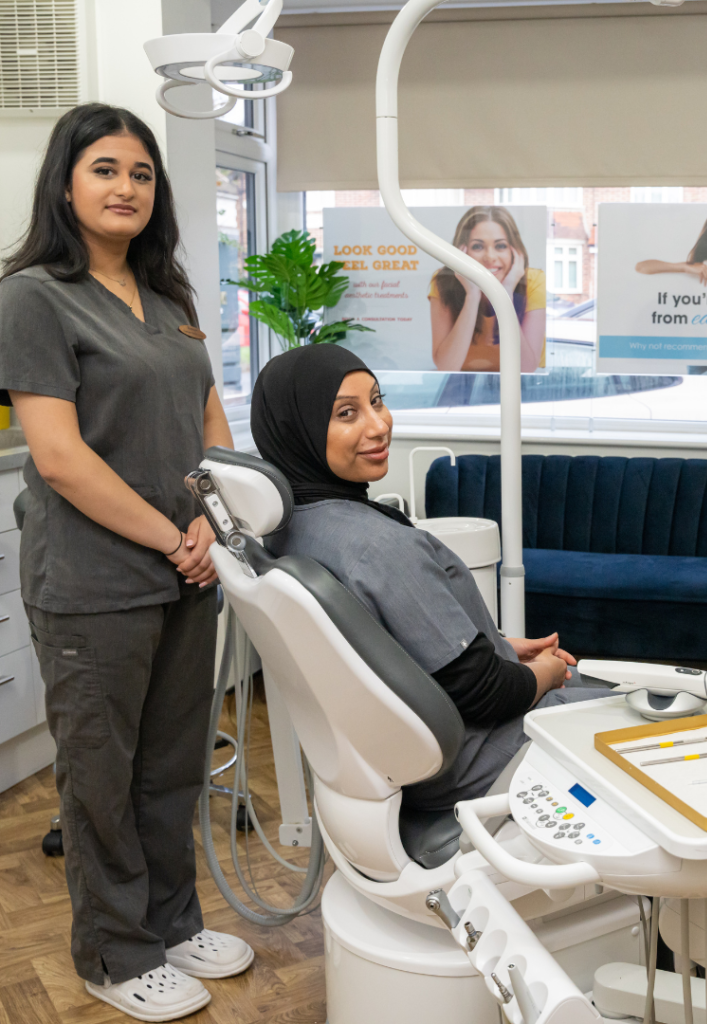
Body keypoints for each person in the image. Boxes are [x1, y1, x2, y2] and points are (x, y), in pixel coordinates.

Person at [0, 104, 252, 1021]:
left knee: (171, 766)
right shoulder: (32, 295)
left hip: (188, 571)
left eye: (141, 174)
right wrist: (172, 536)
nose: (126, 188)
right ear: (66, 183)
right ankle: (112, 953)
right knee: (102, 779)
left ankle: (173, 923)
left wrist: (213, 527)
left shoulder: (172, 297)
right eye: (105, 169)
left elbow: (210, 424)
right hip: (96, 583)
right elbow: (60, 457)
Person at [251, 344, 607, 809]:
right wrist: (549, 671)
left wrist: (496, 648)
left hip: (408, 764)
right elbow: (485, 693)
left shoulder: (290, 531)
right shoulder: (378, 547)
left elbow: (386, 651)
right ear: (295, 429)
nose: (379, 425)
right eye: (346, 413)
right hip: (481, 757)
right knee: (659, 715)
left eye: (376, 401)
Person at [429, 206, 546, 374]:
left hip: (517, 390)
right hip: (461, 389)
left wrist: (505, 294)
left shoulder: (533, 281)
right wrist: (472, 295)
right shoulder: (444, 281)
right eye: (477, 247)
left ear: (515, 251)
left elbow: (526, 369)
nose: (490, 257)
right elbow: (447, 367)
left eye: (500, 246)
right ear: (462, 251)